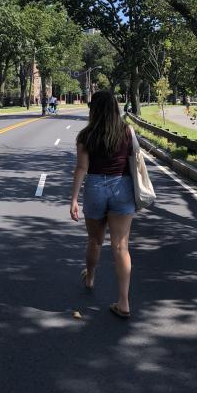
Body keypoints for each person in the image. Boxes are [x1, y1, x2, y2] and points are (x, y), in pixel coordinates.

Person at [69, 90, 136, 319]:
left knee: (95, 241)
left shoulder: (85, 135)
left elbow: (81, 168)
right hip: (123, 187)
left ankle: (89, 277)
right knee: (121, 247)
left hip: (96, 187)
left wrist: (74, 199)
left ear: (94, 110)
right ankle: (124, 302)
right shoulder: (127, 131)